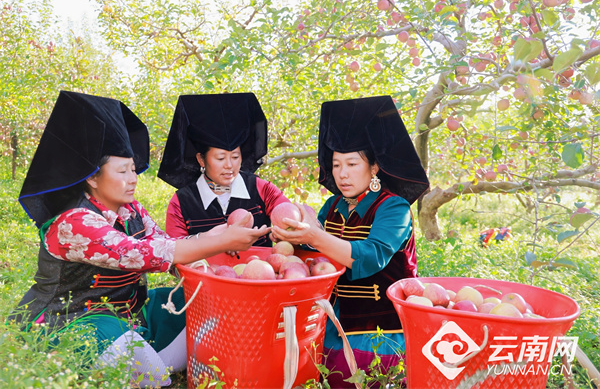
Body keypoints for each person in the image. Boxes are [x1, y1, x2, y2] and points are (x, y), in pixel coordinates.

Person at [10, 91, 269, 387]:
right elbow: (139, 253)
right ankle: (149, 368)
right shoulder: (74, 223)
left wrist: (214, 238)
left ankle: (150, 364)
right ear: (92, 177)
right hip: (72, 320)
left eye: (133, 169)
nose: (133, 178)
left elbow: (163, 242)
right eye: (122, 171)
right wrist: (220, 241)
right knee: (145, 366)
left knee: (202, 303)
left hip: (130, 314)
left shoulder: (132, 209)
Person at [271, 96, 429, 387]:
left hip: (381, 333)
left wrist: (315, 236)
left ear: (374, 167)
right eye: (336, 164)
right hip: (330, 324)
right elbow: (312, 250)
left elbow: (371, 255)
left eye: (352, 163)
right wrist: (289, 239)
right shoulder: (332, 205)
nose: (342, 174)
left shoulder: (393, 208)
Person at [158, 93, 289, 246]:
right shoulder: (181, 202)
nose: (229, 165)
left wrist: (288, 234)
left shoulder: (262, 189)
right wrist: (214, 242)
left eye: (235, 157)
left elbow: (293, 223)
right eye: (220, 158)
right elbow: (175, 252)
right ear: (201, 159)